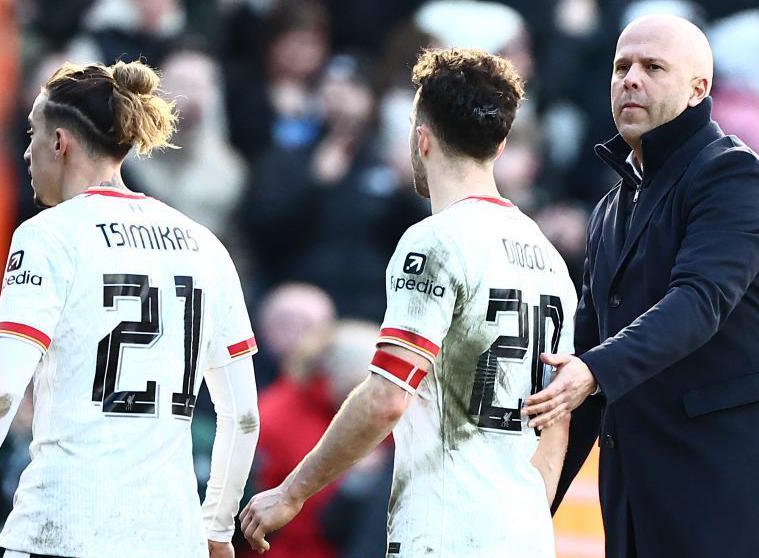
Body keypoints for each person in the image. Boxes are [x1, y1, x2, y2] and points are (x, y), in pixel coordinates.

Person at [521, 15, 759, 557]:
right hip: (651, 514)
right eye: (621, 67)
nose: (630, 79)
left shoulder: (735, 176)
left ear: (699, 89)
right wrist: (524, 514)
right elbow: (581, 374)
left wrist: (594, 370)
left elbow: (698, 302)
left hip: (749, 509)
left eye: (653, 67)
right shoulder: (609, 210)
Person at [240, 47, 578, 557]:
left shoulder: (435, 240)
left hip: (445, 530)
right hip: (524, 535)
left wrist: (291, 493)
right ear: (500, 146)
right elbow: (557, 416)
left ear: (422, 138)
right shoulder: (548, 258)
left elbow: (387, 397)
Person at [0, 60, 259, 558]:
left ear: (60, 142)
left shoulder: (48, 236)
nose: (26, 151)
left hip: (63, 529)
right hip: (170, 539)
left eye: (32, 133)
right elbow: (244, 416)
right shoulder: (205, 245)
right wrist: (216, 526)